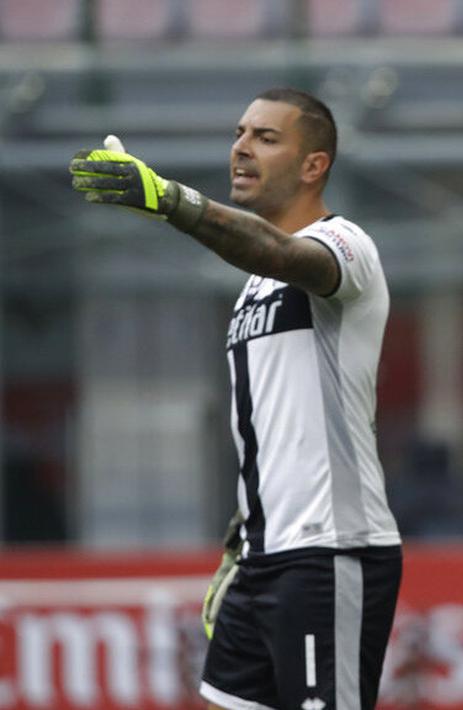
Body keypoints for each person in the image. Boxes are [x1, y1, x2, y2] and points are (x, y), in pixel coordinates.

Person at [70, 88, 402, 710]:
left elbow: (277, 251)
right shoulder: (253, 286)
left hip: (330, 553)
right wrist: (243, 533)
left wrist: (173, 201)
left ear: (314, 165)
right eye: (240, 133)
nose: (242, 148)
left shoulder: (347, 246)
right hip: (262, 556)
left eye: (266, 138)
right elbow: (281, 422)